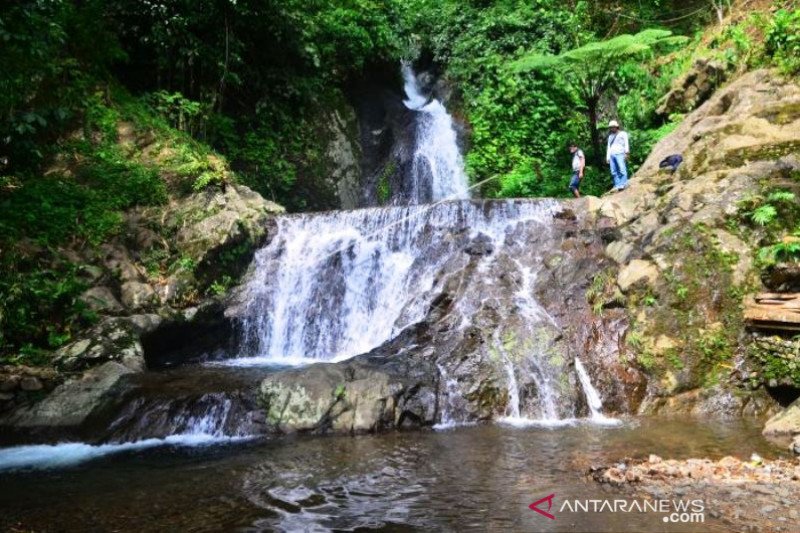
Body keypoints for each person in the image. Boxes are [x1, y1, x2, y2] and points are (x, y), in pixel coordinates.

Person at [606, 120, 630, 192]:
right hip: (612, 155)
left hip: (620, 153)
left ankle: (623, 184)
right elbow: (609, 147)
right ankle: (618, 184)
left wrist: (627, 152)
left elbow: (626, 143)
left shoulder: (623, 134)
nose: (612, 128)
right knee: (613, 171)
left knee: (622, 169)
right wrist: (608, 157)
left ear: (617, 127)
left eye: (613, 127)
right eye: (610, 127)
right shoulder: (610, 136)